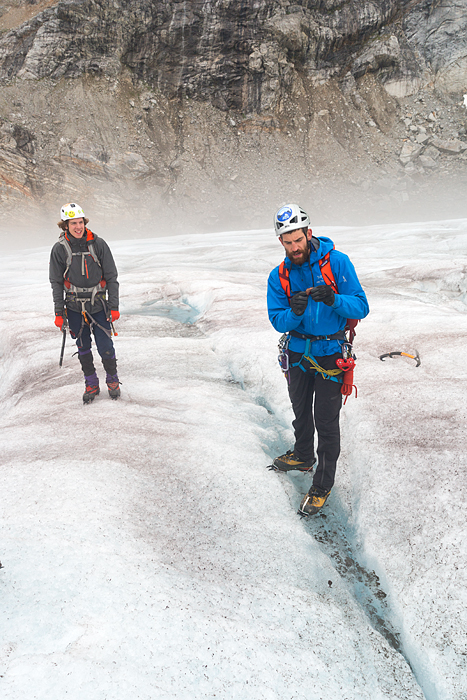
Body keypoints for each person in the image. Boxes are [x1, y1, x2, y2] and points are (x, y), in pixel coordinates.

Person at [267, 204, 369, 515]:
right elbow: (277, 320)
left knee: (326, 421)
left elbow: (361, 307)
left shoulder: (337, 262)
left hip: (331, 355)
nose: (294, 247)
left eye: (298, 240)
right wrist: (294, 312)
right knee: (300, 410)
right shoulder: (279, 275)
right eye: (287, 242)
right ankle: (302, 454)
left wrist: (334, 299)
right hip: (298, 353)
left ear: (309, 234)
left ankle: (322, 485)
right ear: (281, 242)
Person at [49, 203, 121, 403]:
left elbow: (112, 277)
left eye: (80, 222)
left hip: (99, 304)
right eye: (74, 223)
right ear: (65, 225)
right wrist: (58, 312)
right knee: (83, 346)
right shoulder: (59, 250)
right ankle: (91, 383)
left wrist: (114, 306)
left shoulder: (98, 245)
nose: (78, 227)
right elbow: (56, 283)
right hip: (73, 307)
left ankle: (112, 380)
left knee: (105, 344)